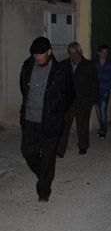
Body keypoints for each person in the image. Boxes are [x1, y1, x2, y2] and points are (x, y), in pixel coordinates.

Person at [20, 37, 72, 201]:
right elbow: (23, 88)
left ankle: (43, 191)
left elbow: (69, 94)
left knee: (48, 157)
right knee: (28, 151)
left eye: (40, 54)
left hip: (51, 120)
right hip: (30, 119)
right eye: (35, 54)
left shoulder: (60, 70)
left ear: (49, 52)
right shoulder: (27, 66)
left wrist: (56, 110)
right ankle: (44, 174)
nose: (37, 57)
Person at [56, 42, 99, 157]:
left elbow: (94, 84)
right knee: (64, 126)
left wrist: (91, 101)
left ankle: (83, 146)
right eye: (71, 53)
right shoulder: (63, 65)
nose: (73, 56)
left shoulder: (88, 65)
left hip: (83, 101)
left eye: (75, 53)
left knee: (83, 125)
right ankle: (60, 149)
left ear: (80, 53)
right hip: (67, 102)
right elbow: (58, 83)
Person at [94, 44, 111, 139]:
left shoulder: (110, 63)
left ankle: (103, 130)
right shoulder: (94, 63)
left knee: (103, 110)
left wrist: (107, 87)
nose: (105, 54)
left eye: (106, 52)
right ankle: (102, 127)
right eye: (103, 52)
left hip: (105, 91)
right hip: (95, 91)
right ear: (98, 53)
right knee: (98, 111)